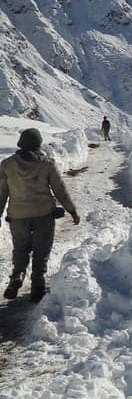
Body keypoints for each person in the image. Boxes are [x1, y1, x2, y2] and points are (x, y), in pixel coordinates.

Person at [1, 128, 81, 302]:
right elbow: (59, 189)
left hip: (17, 216)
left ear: (21, 143)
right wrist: (72, 210)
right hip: (43, 215)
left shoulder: (6, 164)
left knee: (21, 249)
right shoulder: (47, 163)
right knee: (41, 250)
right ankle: (37, 287)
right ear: (38, 144)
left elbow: (2, 193)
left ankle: (17, 276)